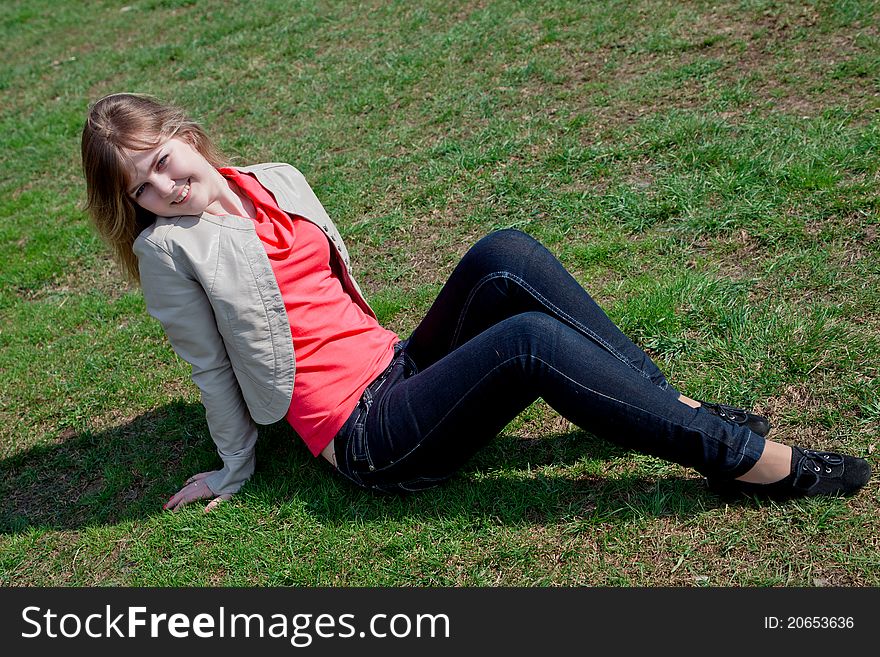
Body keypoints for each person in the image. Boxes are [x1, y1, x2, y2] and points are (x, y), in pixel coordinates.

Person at [81, 93, 872, 512]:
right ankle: (745, 461)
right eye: (139, 187)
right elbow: (212, 368)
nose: (162, 188)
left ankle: (667, 402)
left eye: (160, 161)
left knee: (507, 254)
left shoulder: (275, 178)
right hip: (364, 432)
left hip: (397, 366)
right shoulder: (167, 251)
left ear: (183, 133)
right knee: (526, 340)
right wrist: (231, 467)